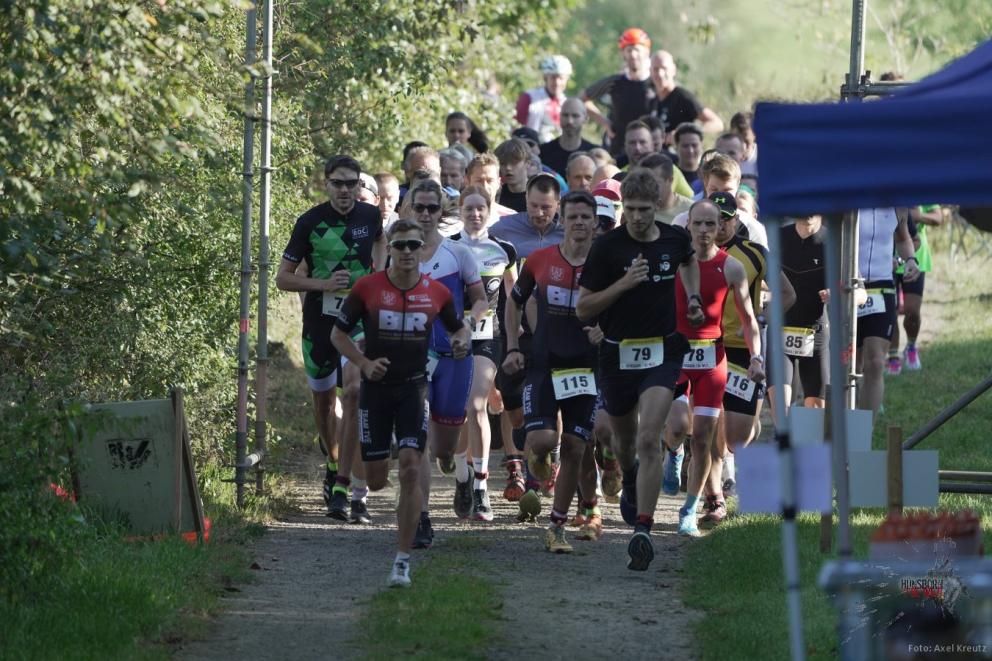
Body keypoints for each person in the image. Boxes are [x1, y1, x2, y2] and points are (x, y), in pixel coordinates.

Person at [331, 219, 470, 587]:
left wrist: (461, 341)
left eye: (414, 245)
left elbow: (458, 326)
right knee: (377, 480)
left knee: (410, 468)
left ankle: (402, 561)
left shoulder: (437, 292)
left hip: (414, 389)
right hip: (376, 392)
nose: (408, 252)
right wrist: (363, 364)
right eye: (401, 245)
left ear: (422, 249)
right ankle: (386, 448)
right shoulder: (368, 288)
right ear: (389, 248)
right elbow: (338, 335)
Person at [576, 170, 703, 571]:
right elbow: (583, 308)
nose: (635, 216)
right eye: (629, 209)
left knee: (650, 438)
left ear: (657, 206)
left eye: (643, 209)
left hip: (662, 352)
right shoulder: (607, 247)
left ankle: (643, 530)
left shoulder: (675, 238)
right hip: (617, 355)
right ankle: (629, 476)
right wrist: (624, 284)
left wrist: (694, 298)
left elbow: (689, 262)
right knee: (624, 442)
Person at [275, 155, 387, 521]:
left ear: (358, 186)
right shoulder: (310, 222)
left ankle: (346, 486)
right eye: (338, 183)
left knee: (353, 392)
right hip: (320, 323)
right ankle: (334, 461)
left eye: (351, 183)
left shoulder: (370, 216)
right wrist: (322, 284)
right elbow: (283, 278)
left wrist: (378, 277)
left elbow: (381, 242)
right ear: (326, 184)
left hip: (357, 322)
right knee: (324, 405)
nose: (344, 190)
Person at [503, 191, 604, 551]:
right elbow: (514, 303)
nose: (579, 223)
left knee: (577, 445)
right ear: (564, 220)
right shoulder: (540, 260)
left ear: (595, 222)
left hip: (588, 367)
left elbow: (624, 306)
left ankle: (557, 525)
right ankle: (540, 458)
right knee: (544, 442)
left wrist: (606, 329)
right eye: (573, 216)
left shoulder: (606, 264)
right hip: (545, 363)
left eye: (585, 217)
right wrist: (513, 346)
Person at [662, 199, 763, 536]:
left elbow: (748, 319)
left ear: (720, 227)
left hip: (711, 359)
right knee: (678, 426)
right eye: (698, 224)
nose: (704, 231)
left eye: (711, 224)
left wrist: (757, 357)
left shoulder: (731, 267)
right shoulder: (673, 262)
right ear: (687, 225)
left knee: (705, 437)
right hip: (676, 355)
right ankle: (673, 450)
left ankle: (689, 511)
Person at [408, 180, 489, 548]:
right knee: (417, 440)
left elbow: (480, 299)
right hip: (413, 358)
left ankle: (462, 473)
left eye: (432, 208)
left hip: (453, 357)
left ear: (442, 212)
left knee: (443, 448)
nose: (426, 214)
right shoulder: (399, 253)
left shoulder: (458, 254)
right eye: (419, 207)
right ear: (410, 209)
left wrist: (467, 327)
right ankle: (421, 518)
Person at [490, 174, 565, 501]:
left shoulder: (567, 233)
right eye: (533, 206)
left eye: (546, 207)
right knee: (515, 406)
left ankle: (545, 462)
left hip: (554, 328)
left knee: (553, 394)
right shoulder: (503, 230)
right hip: (512, 326)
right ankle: (517, 458)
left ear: (557, 205)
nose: (539, 213)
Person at [451, 187, 518, 521]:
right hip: (451, 338)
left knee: (476, 404)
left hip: (488, 337)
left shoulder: (504, 249)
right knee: (456, 413)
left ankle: (480, 485)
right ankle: (461, 476)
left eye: (481, 209)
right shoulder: (448, 246)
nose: (475, 214)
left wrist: (519, 333)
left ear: (490, 212)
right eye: (469, 208)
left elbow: (515, 294)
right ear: (460, 211)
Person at [856, 208, 919, 419]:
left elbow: (903, 238)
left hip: (882, 287)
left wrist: (910, 260)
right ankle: (845, 423)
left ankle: (863, 431)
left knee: (875, 362)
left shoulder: (897, 204)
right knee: (851, 365)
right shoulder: (849, 198)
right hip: (849, 285)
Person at [767, 214, 830, 417]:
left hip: (815, 333)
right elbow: (757, 276)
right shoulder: (775, 238)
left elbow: (859, 292)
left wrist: (838, 293)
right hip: (780, 330)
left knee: (816, 414)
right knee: (781, 409)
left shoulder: (833, 242)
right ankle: (784, 435)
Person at [582, 28, 655, 157]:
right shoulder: (614, 82)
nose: (633, 55)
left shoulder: (655, 84)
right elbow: (581, 100)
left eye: (637, 50)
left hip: (649, 152)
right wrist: (604, 122)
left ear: (647, 52)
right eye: (629, 50)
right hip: (617, 150)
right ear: (623, 54)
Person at [888, 205, 941, 374]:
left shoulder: (921, 190)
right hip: (885, 262)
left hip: (916, 258)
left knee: (912, 312)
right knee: (891, 311)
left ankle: (911, 346)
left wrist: (919, 216)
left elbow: (938, 218)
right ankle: (893, 356)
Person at [649, 50, 723, 142]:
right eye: (655, 69)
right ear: (650, 71)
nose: (660, 74)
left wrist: (686, 133)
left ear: (673, 70)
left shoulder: (683, 97)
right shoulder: (651, 99)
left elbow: (717, 123)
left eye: (664, 68)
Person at [516, 55, 573, 143]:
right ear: (545, 77)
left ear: (567, 80)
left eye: (561, 78)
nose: (557, 82)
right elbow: (515, 128)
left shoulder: (567, 104)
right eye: (553, 77)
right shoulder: (529, 97)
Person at [539, 98, 598, 176]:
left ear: (586, 119)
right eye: (565, 115)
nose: (570, 121)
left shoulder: (594, 154)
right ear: (559, 116)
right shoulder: (543, 152)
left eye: (575, 116)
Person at [638, 152, 693, 224]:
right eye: (643, 183)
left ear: (670, 180)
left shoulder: (691, 211)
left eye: (653, 183)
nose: (647, 188)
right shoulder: (636, 210)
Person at [465, 153, 516, 221]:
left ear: (498, 183)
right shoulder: (455, 218)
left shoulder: (511, 218)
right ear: (467, 182)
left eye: (490, 181)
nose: (485, 186)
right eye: (479, 181)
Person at [494, 138, 533, 212]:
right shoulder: (495, 195)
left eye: (514, 163)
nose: (508, 168)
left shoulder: (538, 195)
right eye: (503, 163)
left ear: (528, 163)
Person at [673, 123, 704, 191]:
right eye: (685, 146)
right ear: (676, 146)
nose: (690, 150)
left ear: (701, 145)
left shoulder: (708, 176)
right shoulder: (670, 175)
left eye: (694, 145)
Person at [730, 111, 758, 178]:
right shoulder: (726, 159)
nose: (742, 145)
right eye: (737, 139)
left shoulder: (765, 158)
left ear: (755, 134)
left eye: (746, 140)